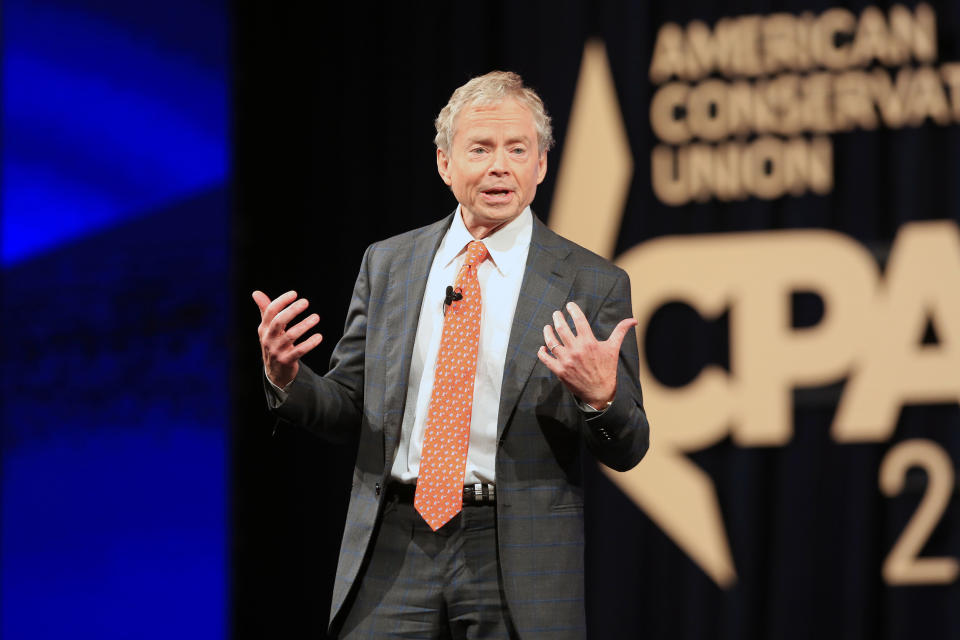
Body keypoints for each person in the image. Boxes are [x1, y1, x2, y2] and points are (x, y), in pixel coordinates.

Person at [253, 71, 649, 639]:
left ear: (541, 164)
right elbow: (348, 410)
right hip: (394, 541)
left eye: (518, 150)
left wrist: (601, 396)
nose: (499, 166)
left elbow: (630, 447)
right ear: (444, 162)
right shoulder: (389, 264)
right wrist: (287, 377)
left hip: (513, 548)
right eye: (480, 149)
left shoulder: (591, 283)